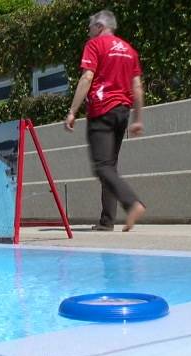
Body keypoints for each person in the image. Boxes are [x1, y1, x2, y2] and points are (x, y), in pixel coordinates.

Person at [64, 10, 146, 232]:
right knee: (109, 167)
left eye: (90, 27)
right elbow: (136, 87)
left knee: (102, 167)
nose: (89, 32)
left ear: (99, 27)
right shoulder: (129, 50)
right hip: (122, 112)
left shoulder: (95, 45)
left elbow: (87, 76)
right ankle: (107, 221)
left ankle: (132, 204)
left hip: (102, 110)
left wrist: (72, 111)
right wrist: (137, 118)